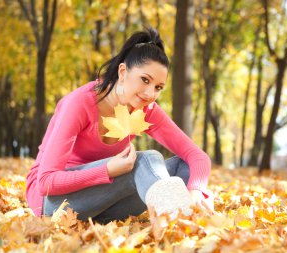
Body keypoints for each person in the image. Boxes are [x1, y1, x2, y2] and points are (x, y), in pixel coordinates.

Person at [26, 27, 212, 224]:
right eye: (145, 80)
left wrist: (196, 190)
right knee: (148, 159)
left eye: (158, 87)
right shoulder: (80, 103)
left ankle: (184, 209)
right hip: (52, 204)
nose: (150, 94)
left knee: (184, 166)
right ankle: (176, 215)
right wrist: (106, 170)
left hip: (104, 204)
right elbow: (46, 182)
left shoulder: (145, 108)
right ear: (122, 71)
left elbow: (198, 156)